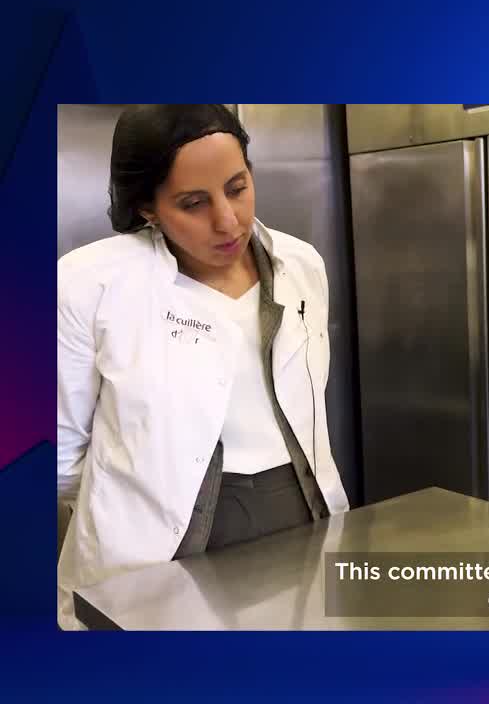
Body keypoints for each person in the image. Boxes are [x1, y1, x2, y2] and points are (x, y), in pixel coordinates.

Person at [56, 105, 349, 630]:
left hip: (301, 523)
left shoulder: (301, 264)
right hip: (152, 556)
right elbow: (59, 456)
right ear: (147, 207)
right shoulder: (89, 285)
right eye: (194, 203)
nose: (227, 221)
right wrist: (137, 496)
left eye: (237, 188)